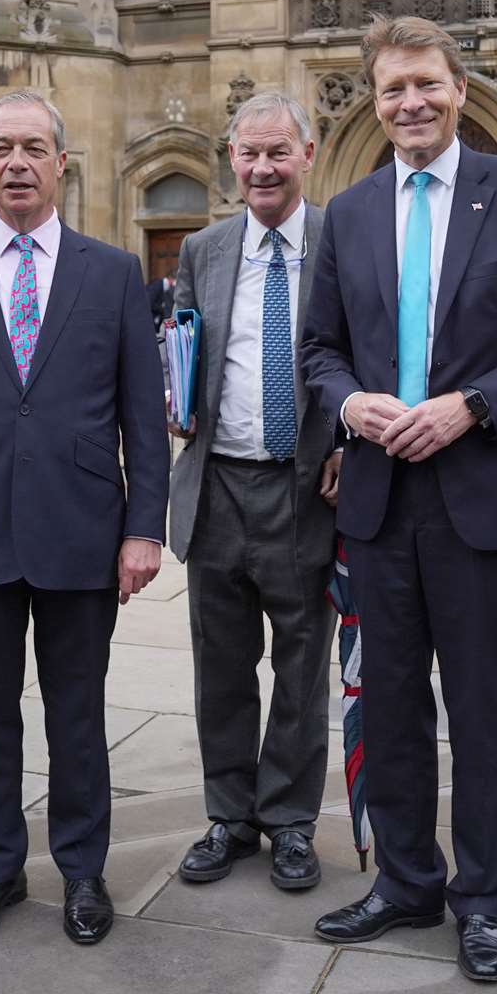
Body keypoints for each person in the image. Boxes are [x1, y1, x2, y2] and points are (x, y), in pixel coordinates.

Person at [300, 15, 497, 982]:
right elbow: (317, 349)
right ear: (374, 102)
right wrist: (350, 403)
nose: (410, 104)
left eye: (425, 84)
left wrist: (472, 407)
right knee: (386, 707)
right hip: (380, 499)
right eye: (391, 90)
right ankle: (405, 882)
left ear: (458, 90)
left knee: (478, 710)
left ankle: (479, 898)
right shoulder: (345, 213)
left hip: (481, 496)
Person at [0, 89, 168, 949]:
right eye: (1, 148)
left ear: (60, 163)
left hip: (83, 527)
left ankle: (82, 872)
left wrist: (144, 527)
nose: (16, 162)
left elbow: (142, 415)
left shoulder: (113, 271)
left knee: (75, 710)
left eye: (33, 148)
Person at [167, 92, 339, 892]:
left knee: (301, 664)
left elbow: (363, 353)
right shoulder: (203, 248)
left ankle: (290, 820)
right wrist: (173, 395)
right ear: (230, 160)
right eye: (248, 154)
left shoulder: (343, 241)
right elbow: (184, 341)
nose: (262, 168)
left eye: (277, 153)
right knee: (221, 664)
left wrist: (348, 445)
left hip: (304, 487)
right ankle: (229, 816)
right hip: (218, 485)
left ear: (307, 153)